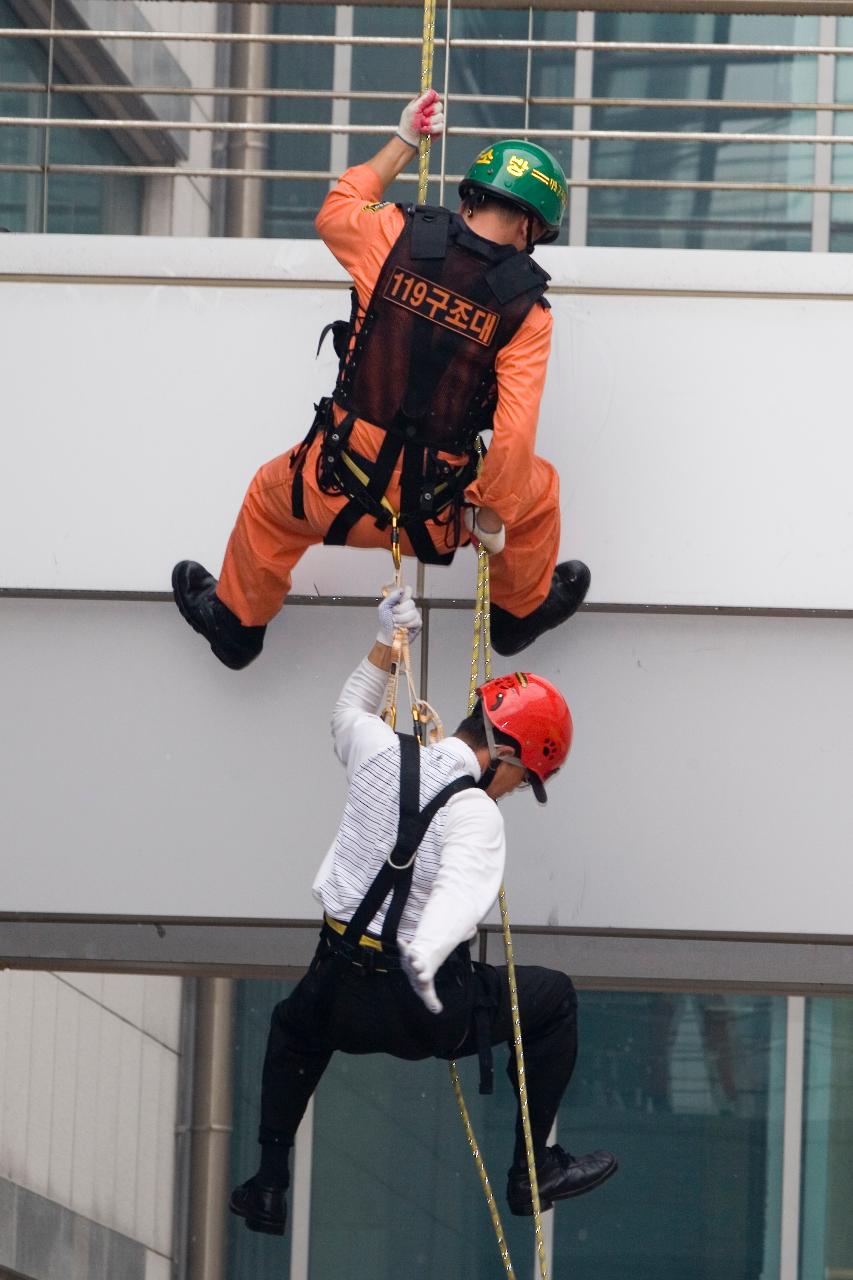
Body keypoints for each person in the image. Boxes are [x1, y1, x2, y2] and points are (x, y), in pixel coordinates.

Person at [228, 588, 617, 1237]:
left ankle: (268, 1183)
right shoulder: (475, 814)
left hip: (338, 992)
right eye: (522, 780)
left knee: (295, 1028)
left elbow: (347, 709)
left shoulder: (378, 751)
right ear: (508, 756)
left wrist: (384, 643)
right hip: (428, 1012)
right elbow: (460, 897)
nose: (515, 791)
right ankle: (533, 1170)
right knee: (552, 999)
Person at [173, 88, 590, 670]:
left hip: (330, 488)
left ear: (470, 198)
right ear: (527, 224)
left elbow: (336, 209)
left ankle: (237, 627)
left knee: (268, 504)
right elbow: (514, 440)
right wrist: (489, 518)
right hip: (436, 518)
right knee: (538, 491)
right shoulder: (528, 312)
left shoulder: (392, 233)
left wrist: (404, 141)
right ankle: (517, 615)